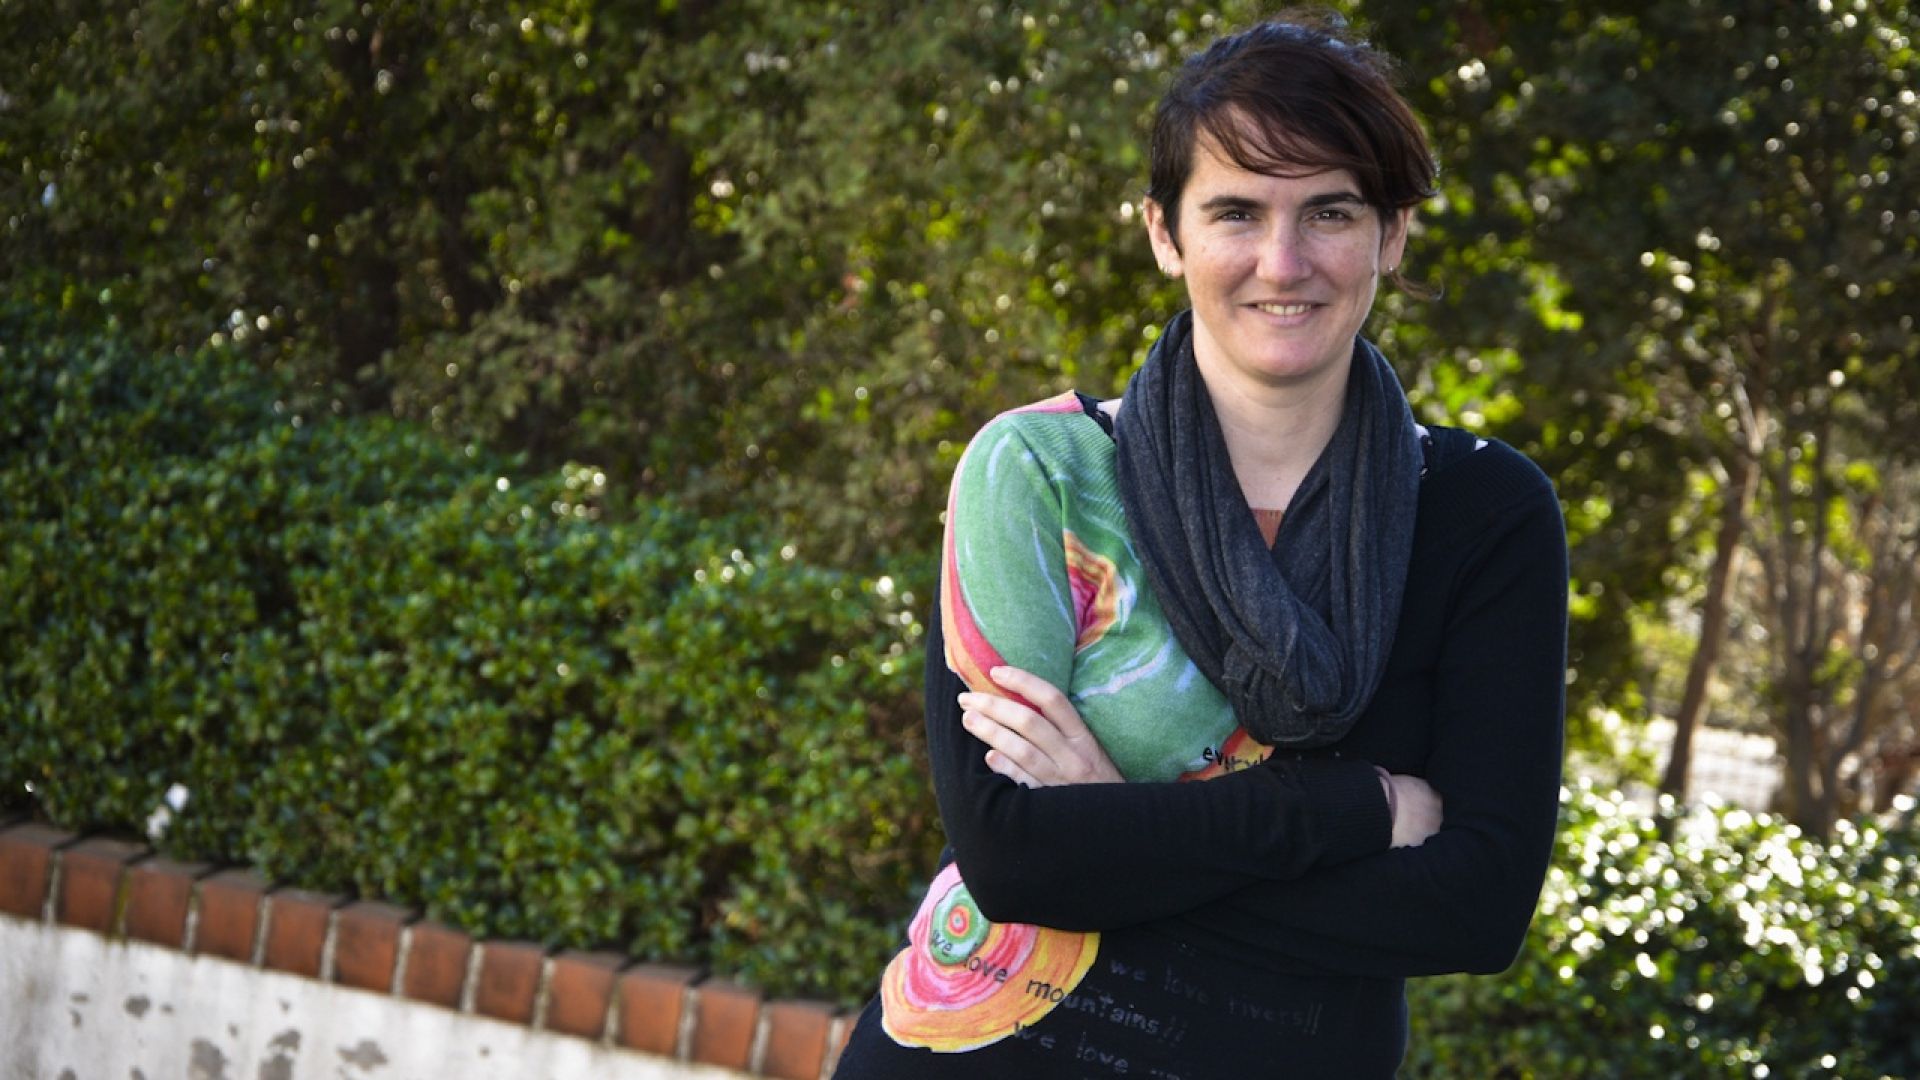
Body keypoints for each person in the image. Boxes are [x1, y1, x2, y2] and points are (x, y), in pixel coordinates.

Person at [833, 12, 1567, 1078]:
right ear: (1164, 233)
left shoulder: (1483, 513)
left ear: (1392, 234)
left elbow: (1475, 910)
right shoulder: (1039, 473)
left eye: (1329, 211)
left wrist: (1114, 831)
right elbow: (1013, 860)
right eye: (1235, 211)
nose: (1283, 261)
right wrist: (1346, 809)